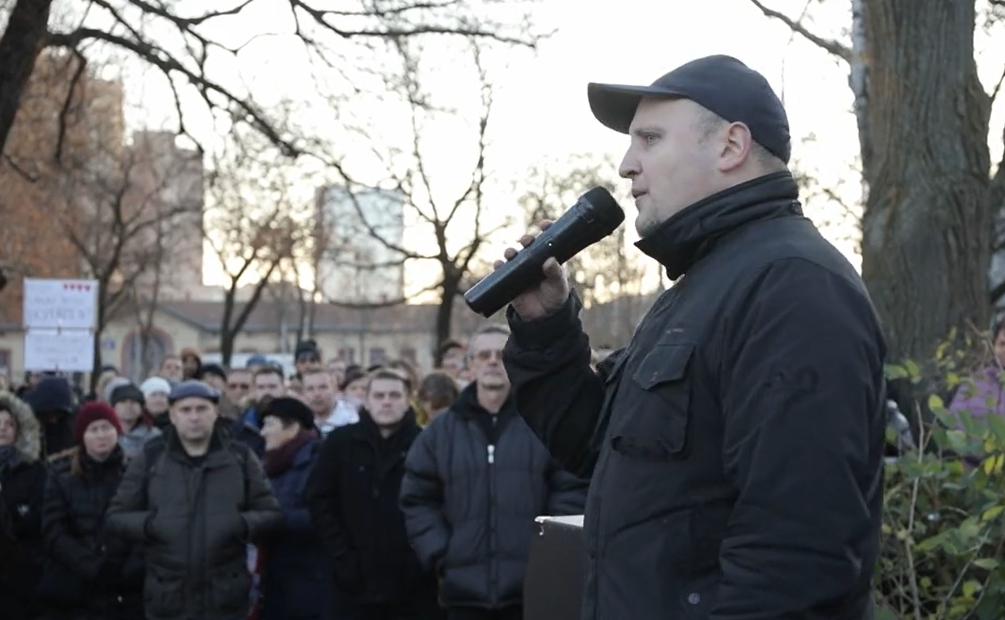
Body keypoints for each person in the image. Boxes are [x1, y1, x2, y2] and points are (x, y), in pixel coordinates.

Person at [499, 55, 887, 619]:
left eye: (650, 139)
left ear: (730, 146)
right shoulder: (701, 289)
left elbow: (795, 558)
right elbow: (594, 442)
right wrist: (545, 327)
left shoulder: (794, 287)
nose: (627, 165)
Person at [106, 380, 283, 620]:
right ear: (173, 415)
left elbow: (270, 512)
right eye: (186, 410)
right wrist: (152, 525)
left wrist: (239, 524)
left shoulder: (240, 457)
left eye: (202, 409)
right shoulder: (151, 457)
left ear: (215, 413)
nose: (194, 417)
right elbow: (117, 515)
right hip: (168, 593)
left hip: (225, 593)